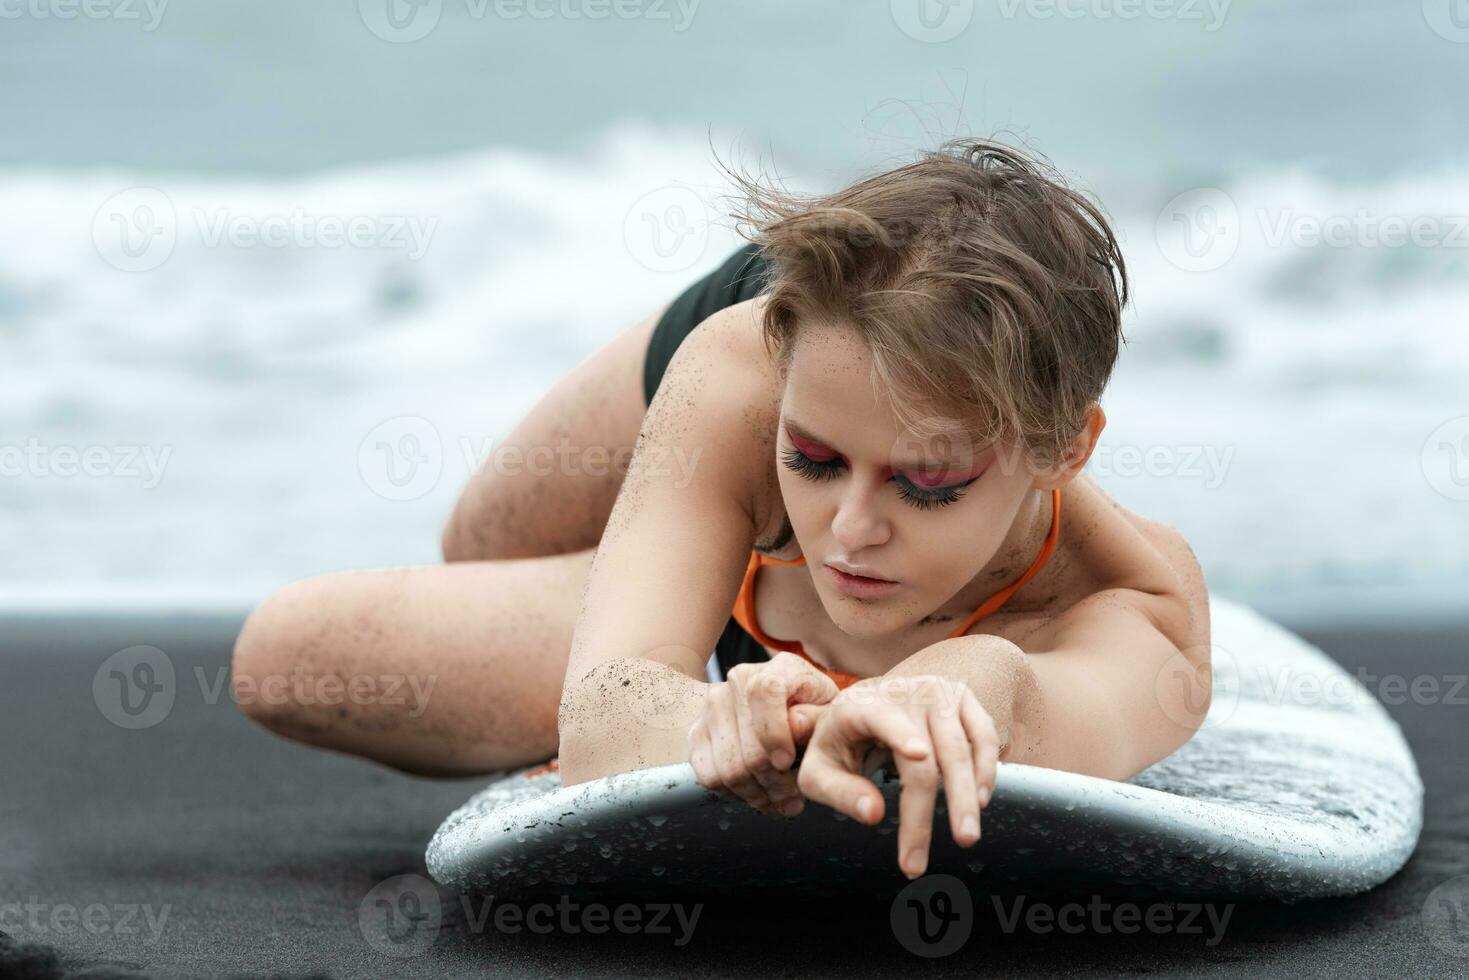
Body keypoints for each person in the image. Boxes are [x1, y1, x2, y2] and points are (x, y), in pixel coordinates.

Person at [232, 137, 1211, 880]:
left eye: (925, 482)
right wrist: (698, 714)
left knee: (298, 655)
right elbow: (600, 716)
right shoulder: (746, 372)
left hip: (795, 526)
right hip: (749, 361)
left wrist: (935, 691)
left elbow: (1025, 703)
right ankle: (693, 549)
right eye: (813, 462)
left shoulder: (1138, 604)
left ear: (1063, 451)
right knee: (476, 545)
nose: (852, 527)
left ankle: (684, 579)